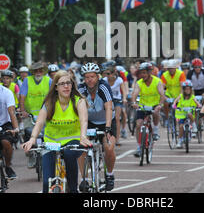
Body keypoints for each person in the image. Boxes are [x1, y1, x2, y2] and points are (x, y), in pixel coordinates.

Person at [22, 70, 91, 193]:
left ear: (72, 85)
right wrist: (32, 139)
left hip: (72, 141)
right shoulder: (49, 104)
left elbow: (84, 120)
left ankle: (73, 189)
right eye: (62, 84)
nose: (66, 86)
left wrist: (83, 136)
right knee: (46, 183)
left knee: (70, 155)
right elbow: (39, 123)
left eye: (68, 83)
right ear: (55, 87)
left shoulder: (79, 101)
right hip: (51, 142)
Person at [76, 62, 116, 191]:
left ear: (98, 76)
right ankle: (84, 179)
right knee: (81, 148)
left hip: (106, 121)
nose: (89, 80)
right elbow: (76, 109)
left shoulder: (103, 87)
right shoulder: (81, 89)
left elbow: (109, 107)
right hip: (89, 122)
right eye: (87, 77)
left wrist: (108, 128)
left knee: (108, 147)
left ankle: (109, 175)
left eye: (92, 76)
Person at [19, 62, 52, 163]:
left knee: (48, 134)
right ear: (33, 72)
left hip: (46, 113)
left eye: (40, 70)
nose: (38, 72)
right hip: (30, 114)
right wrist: (23, 110)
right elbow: (22, 97)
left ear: (43, 72)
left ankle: (49, 154)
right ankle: (30, 154)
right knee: (28, 132)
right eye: (36, 71)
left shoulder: (49, 80)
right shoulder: (27, 81)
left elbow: (53, 96)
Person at [130, 62, 166, 156]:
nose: (142, 75)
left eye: (144, 73)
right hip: (142, 106)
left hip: (154, 105)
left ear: (149, 72)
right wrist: (134, 103)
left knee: (155, 113)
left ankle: (156, 130)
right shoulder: (139, 83)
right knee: (138, 125)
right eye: (141, 73)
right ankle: (139, 146)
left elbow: (162, 95)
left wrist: (160, 105)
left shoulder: (157, 81)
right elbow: (134, 94)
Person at [102, 65, 128, 145]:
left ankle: (117, 139)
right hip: (107, 101)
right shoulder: (104, 80)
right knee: (105, 118)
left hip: (117, 100)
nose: (107, 75)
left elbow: (123, 91)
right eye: (106, 73)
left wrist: (124, 98)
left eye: (109, 73)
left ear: (114, 73)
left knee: (117, 118)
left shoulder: (119, 80)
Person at [172, 80, 200, 149]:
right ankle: (180, 140)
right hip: (181, 114)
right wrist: (174, 105)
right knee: (181, 126)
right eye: (186, 89)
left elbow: (197, 102)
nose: (187, 90)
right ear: (183, 90)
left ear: (191, 89)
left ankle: (194, 126)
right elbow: (176, 100)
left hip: (190, 113)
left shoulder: (192, 97)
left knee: (190, 114)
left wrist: (198, 105)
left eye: (189, 89)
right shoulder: (181, 96)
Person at [161, 59, 186, 126]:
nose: (171, 70)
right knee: (165, 103)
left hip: (179, 94)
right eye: (169, 68)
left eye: (172, 68)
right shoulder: (164, 75)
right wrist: (163, 96)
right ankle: (167, 119)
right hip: (169, 94)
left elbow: (182, 86)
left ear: (175, 68)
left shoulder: (181, 74)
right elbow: (162, 87)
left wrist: (180, 96)